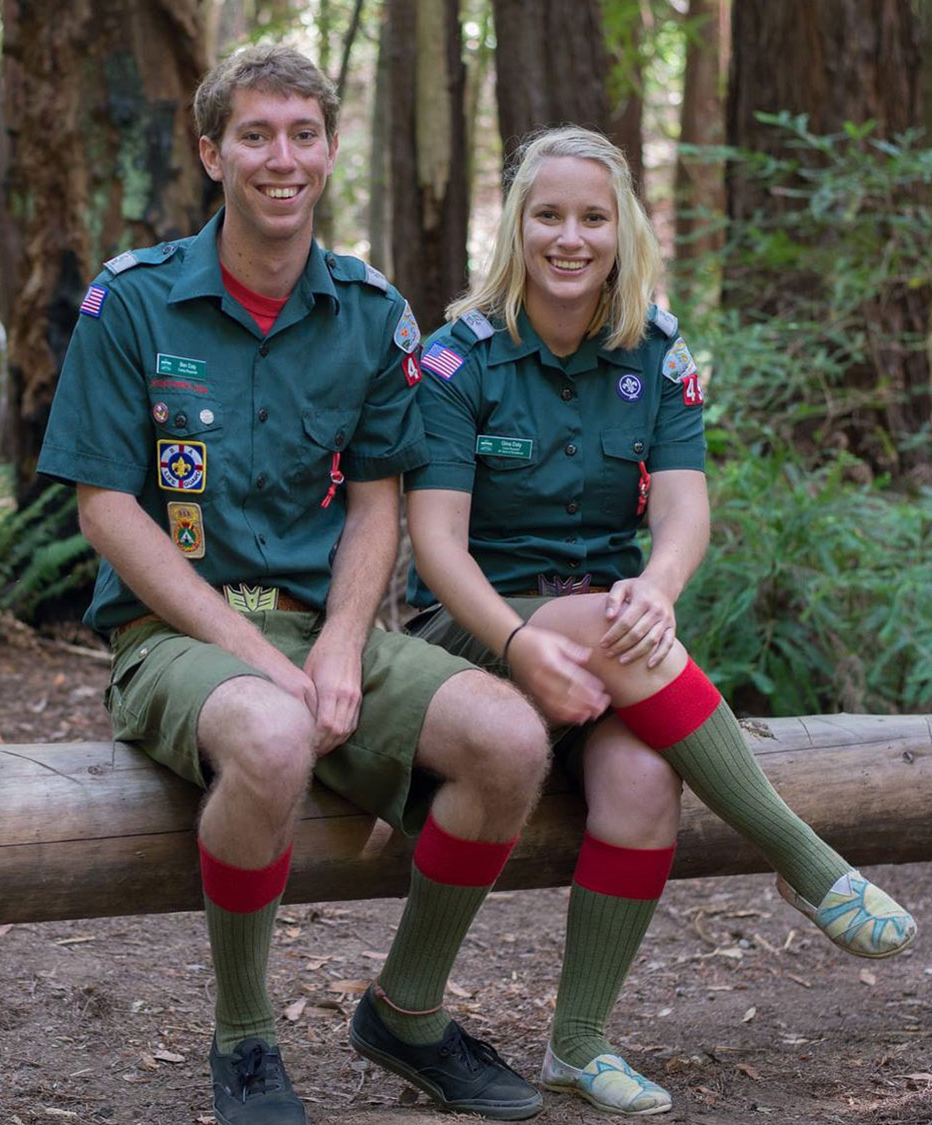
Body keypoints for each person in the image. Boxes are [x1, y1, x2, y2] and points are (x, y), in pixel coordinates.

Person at [37, 45, 551, 1125]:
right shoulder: (129, 307)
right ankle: (245, 1037)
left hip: (332, 625)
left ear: (326, 148)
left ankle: (405, 1012)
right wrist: (266, 661)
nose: (283, 158)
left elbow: (375, 503)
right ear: (211, 152)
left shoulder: (369, 312)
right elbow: (105, 509)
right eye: (257, 135)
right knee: (271, 738)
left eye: (303, 135)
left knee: (508, 741)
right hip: (172, 637)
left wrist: (333, 643)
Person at [402, 126, 917, 1117]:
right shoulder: (455, 359)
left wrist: (660, 586)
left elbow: (681, 508)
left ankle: (578, 1042)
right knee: (602, 619)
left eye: (590, 217)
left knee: (642, 779)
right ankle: (802, 861)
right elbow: (435, 547)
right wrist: (521, 637)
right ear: (515, 225)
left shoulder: (654, 349)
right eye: (547, 215)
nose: (568, 237)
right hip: (469, 635)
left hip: (606, 638)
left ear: (620, 227)